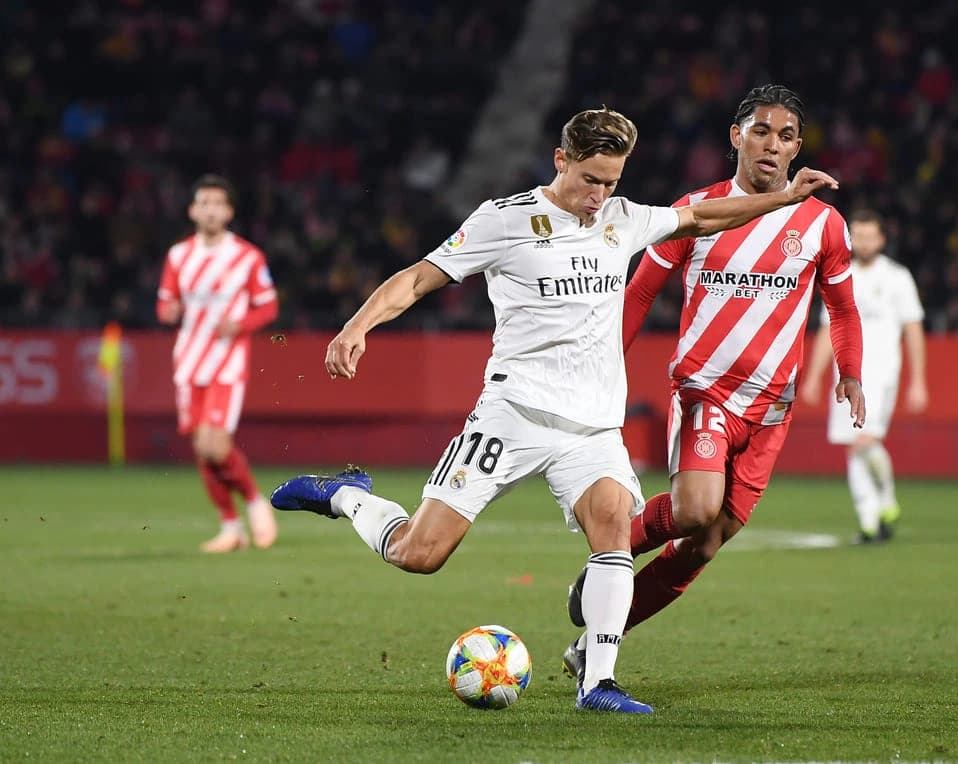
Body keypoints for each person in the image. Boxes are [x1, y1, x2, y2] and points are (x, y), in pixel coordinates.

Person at [267, 107, 840, 714]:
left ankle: (599, 683)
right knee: (420, 554)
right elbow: (416, 280)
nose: (599, 196)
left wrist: (780, 201)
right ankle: (346, 495)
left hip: (590, 427)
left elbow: (701, 216)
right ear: (560, 160)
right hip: (512, 415)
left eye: (612, 182)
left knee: (614, 528)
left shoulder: (622, 220)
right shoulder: (504, 221)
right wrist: (357, 326)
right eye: (590, 179)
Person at [559, 85, 866, 681]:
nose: (771, 146)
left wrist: (850, 373)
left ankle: (600, 631)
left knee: (703, 544)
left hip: (770, 410)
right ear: (736, 137)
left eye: (784, 136)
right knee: (696, 511)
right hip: (706, 392)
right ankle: (611, 553)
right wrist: (603, 361)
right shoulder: (697, 210)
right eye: (760, 131)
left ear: (798, 147)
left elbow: (843, 308)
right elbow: (641, 289)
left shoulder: (823, 224)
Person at [156, 174, 280, 553]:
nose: (210, 209)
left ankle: (255, 500)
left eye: (217, 203)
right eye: (203, 202)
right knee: (202, 449)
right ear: (193, 210)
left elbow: (269, 306)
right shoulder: (178, 256)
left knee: (215, 445)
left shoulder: (247, 257)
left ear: (229, 211)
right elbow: (164, 304)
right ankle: (230, 527)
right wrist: (170, 311)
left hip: (227, 361)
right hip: (189, 361)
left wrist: (240, 324)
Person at [800, 208, 927, 543]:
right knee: (851, 445)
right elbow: (829, 330)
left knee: (864, 441)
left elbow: (913, 328)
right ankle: (870, 520)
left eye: (870, 235)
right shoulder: (840, 275)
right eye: (857, 235)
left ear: (882, 239)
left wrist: (918, 380)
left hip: (884, 370)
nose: (864, 242)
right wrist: (813, 376)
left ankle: (885, 500)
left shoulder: (898, 278)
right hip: (847, 373)